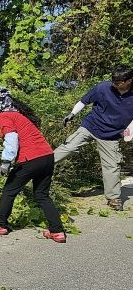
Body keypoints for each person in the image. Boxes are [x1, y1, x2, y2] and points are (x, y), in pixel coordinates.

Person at [0, 86, 66, 243]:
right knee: (41, 195)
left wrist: (5, 163)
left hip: (30, 159)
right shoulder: (19, 116)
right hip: (47, 157)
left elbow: (11, 139)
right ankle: (57, 231)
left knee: (9, 191)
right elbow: (24, 140)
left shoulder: (5, 116)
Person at [56, 66, 133, 211]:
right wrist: (72, 114)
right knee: (68, 147)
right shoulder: (103, 87)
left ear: (129, 80)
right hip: (90, 126)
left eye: (118, 82)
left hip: (111, 135)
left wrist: (130, 131)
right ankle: (37, 167)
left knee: (112, 166)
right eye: (113, 80)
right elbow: (84, 101)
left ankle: (113, 198)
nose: (114, 84)